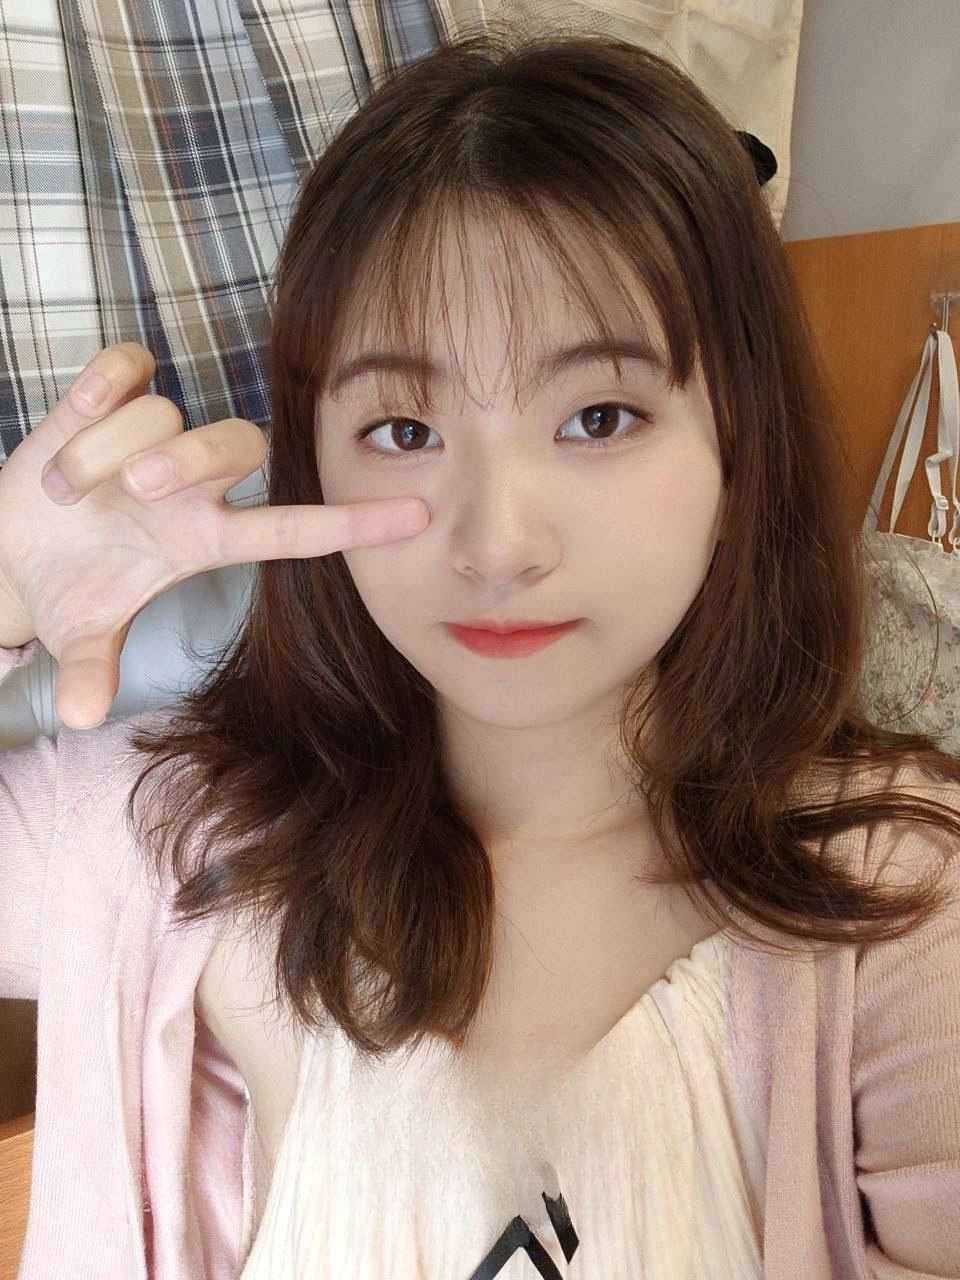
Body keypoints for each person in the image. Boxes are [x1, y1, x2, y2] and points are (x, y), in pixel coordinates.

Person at [2, 20, 960, 1280]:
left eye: (599, 416)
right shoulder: (161, 839)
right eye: (404, 430)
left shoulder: (899, 907)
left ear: (740, 440)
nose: (497, 542)